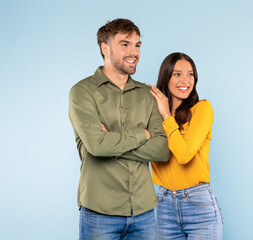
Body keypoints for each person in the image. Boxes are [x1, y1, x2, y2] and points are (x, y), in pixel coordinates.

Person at [68, 18, 170, 240]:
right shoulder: (82, 92)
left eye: (137, 45)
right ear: (105, 48)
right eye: (125, 44)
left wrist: (110, 143)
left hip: (144, 213)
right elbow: (96, 145)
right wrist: (142, 135)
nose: (134, 51)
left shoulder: (148, 94)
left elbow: (162, 149)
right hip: (99, 214)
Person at [149, 52, 224, 239]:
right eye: (177, 74)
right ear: (165, 77)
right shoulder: (153, 116)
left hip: (198, 203)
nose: (185, 80)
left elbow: (183, 155)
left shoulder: (202, 109)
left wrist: (167, 115)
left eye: (190, 74)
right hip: (164, 204)